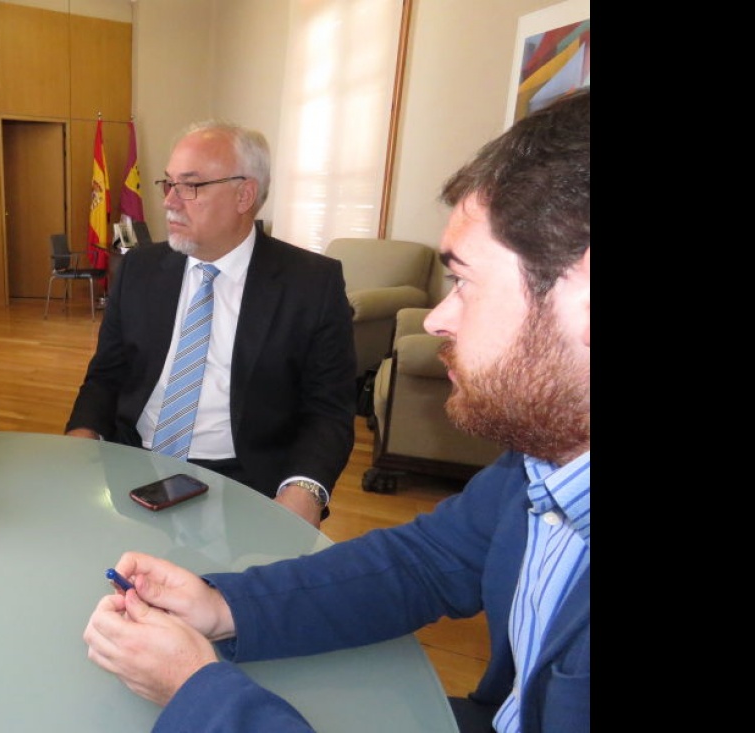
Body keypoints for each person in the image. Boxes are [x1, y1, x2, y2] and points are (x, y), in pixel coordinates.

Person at [82, 88, 590, 733]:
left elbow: (325, 409)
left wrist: (196, 691)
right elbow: (422, 563)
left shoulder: (308, 280)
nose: (437, 318)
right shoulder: (540, 466)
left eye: (463, 280)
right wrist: (219, 604)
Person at [65, 121, 356, 528]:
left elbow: (328, 409)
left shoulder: (310, 284)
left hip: (246, 480)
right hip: (132, 464)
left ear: (244, 194)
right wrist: (80, 442)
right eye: (168, 184)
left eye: (191, 186)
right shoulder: (139, 269)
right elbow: (106, 376)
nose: (169, 201)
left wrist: (305, 489)